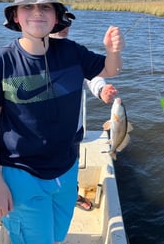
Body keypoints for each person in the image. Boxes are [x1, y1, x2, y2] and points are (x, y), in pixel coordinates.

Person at [0, 0, 125, 244]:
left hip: (67, 170)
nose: (37, 12)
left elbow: (109, 70)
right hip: (21, 175)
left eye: (45, 6)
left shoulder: (71, 52)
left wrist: (113, 51)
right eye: (28, 7)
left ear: (57, 16)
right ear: (15, 16)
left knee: (56, 235)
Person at [50, 23, 118, 211]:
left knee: (71, 167)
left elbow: (92, 75)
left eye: (68, 22)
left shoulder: (75, 52)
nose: (64, 27)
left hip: (72, 129)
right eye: (59, 22)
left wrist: (102, 89)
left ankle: (71, 195)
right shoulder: (32, 52)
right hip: (43, 132)